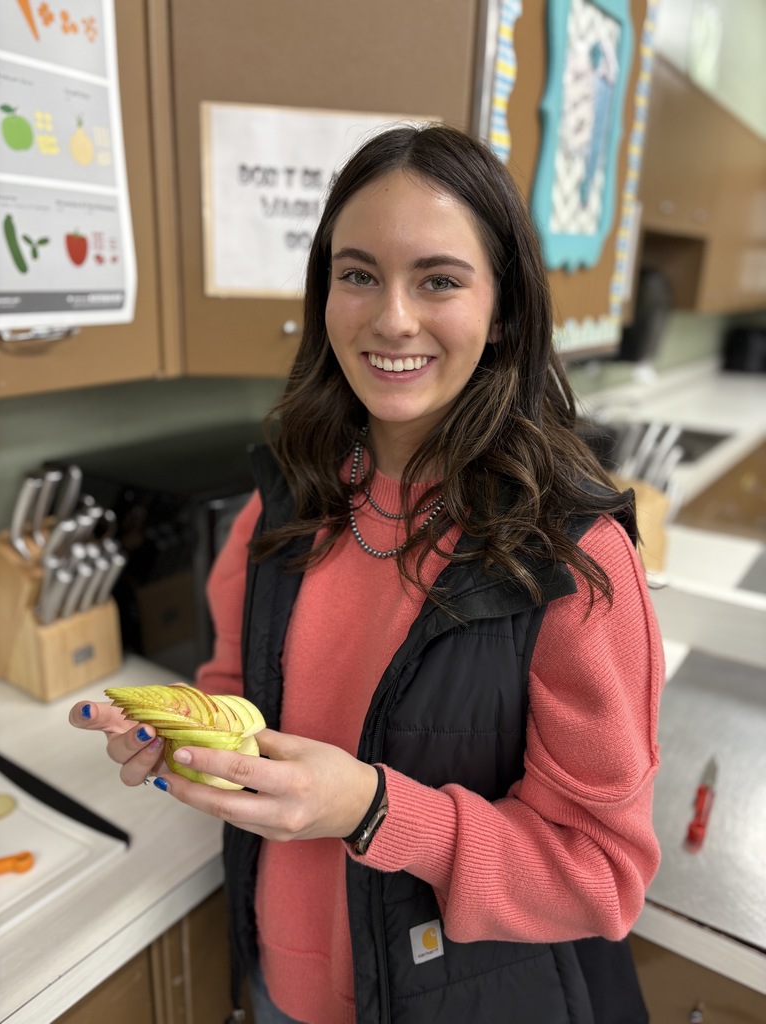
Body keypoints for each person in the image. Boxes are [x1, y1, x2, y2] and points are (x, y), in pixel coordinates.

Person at [70, 122, 664, 1024]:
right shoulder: (286, 503)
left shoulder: (572, 560)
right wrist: (188, 744)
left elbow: (601, 875)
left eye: (439, 280)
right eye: (358, 275)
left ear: (502, 307)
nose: (391, 318)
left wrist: (373, 809)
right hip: (281, 987)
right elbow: (236, 692)